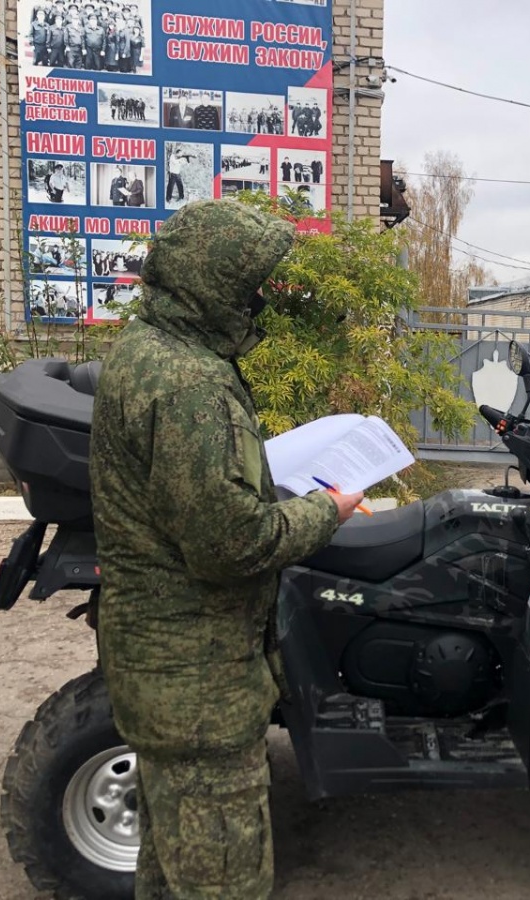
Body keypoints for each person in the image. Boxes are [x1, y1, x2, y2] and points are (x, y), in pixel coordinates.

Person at [90, 200, 365, 900]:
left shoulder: (150, 351)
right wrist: (324, 510)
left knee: (168, 869)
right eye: (252, 283)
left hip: (167, 678)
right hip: (199, 688)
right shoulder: (190, 383)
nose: (263, 296)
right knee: (220, 883)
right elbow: (229, 543)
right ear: (215, 286)